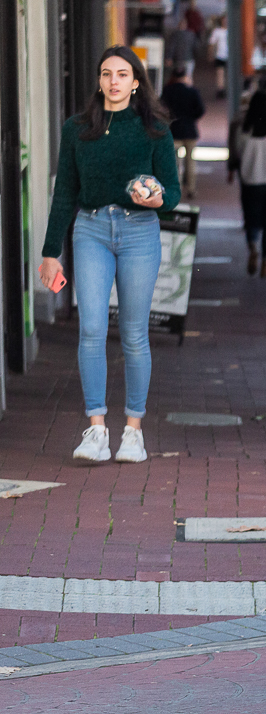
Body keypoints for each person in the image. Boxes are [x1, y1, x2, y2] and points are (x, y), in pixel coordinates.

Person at [38, 46, 180, 464]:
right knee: (92, 329)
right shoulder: (77, 128)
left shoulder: (154, 129)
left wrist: (155, 199)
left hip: (139, 232)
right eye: (106, 74)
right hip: (91, 229)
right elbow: (65, 191)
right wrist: (51, 252)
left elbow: (171, 192)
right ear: (99, 81)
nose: (113, 81)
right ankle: (96, 430)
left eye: (122, 74)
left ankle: (133, 431)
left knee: (134, 334)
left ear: (136, 82)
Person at [232, 90, 266, 277]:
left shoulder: (243, 131)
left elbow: (238, 153)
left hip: (251, 183)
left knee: (251, 221)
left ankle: (253, 248)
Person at [159, 68, 205, 198]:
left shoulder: (168, 91)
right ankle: (191, 189)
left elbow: (161, 109)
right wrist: (191, 118)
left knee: (175, 163)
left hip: (174, 131)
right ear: (185, 77)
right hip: (190, 131)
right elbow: (200, 110)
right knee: (190, 162)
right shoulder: (192, 91)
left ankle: (176, 189)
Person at [209, 21, 230, 99]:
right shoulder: (217, 31)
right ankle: (220, 89)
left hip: (229, 56)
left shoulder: (232, 31)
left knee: (227, 73)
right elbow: (212, 43)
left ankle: (227, 88)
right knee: (220, 73)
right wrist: (211, 54)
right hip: (220, 55)